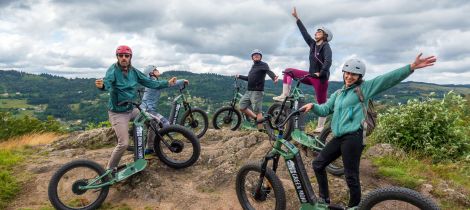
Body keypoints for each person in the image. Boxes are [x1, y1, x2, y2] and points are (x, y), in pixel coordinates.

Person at [300, 53, 437, 208]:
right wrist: (313, 106)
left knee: (351, 176)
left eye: (354, 74)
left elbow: (386, 80)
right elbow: (325, 109)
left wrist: (410, 67)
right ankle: (324, 200)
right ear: (344, 72)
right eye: (348, 73)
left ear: (359, 77)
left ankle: (355, 207)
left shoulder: (364, 89)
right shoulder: (339, 93)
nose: (349, 77)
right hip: (339, 136)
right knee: (318, 164)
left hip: (354, 137)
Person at [95, 45, 177, 170]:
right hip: (117, 113)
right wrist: (102, 86)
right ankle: (110, 170)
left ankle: (150, 149)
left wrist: (167, 83)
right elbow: (107, 81)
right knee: (123, 144)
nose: (123, 58)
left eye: (126, 56)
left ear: (130, 57)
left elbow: (150, 82)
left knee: (153, 121)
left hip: (131, 109)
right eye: (121, 56)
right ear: (117, 57)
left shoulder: (134, 71)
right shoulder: (113, 70)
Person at [273, 7, 333, 133]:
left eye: (319, 32)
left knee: (322, 103)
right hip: (310, 76)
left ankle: (320, 126)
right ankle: (286, 94)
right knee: (288, 71)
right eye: (316, 31)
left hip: (320, 79)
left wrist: (321, 73)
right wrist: (297, 18)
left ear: (325, 36)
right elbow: (304, 33)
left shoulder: (326, 46)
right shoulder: (312, 44)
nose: (316, 33)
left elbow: (328, 61)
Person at [140, 65, 189, 155]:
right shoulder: (153, 82)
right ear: (151, 73)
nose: (157, 70)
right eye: (155, 69)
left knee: (154, 127)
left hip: (147, 110)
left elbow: (167, 84)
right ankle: (152, 148)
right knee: (165, 124)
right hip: (148, 110)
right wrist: (182, 81)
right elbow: (169, 84)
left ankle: (150, 148)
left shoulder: (153, 82)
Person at [236, 49, 278, 129]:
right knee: (242, 106)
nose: (256, 55)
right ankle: (256, 119)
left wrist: (274, 77)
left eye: (258, 55)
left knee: (258, 111)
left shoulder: (264, 65)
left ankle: (261, 130)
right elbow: (249, 78)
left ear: (261, 57)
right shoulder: (253, 66)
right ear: (252, 57)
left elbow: (269, 72)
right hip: (249, 91)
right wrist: (239, 76)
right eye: (254, 55)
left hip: (257, 92)